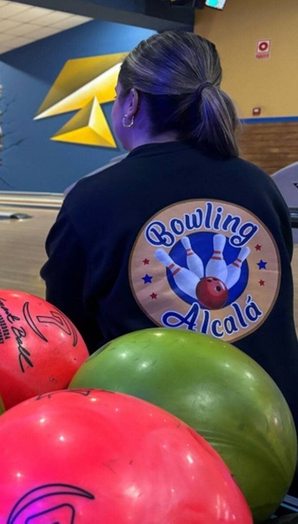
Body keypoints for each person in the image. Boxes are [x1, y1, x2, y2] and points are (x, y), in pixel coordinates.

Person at [40, 30, 298, 493]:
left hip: (157, 461)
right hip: (277, 443)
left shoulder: (93, 198)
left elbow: (65, 337)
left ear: (132, 102)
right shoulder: (258, 186)